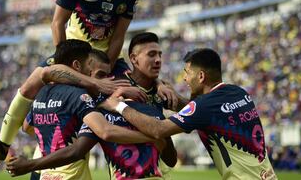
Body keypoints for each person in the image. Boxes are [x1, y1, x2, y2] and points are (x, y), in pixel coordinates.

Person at [0, 0, 161, 162]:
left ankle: (151, 146)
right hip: (73, 54)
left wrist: (105, 69)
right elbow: (57, 23)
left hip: (105, 57)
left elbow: (119, 36)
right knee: (29, 86)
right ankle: (2, 145)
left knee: (137, 89)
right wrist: (65, 62)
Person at [6, 33, 178, 179]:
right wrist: (155, 134)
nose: (105, 81)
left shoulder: (43, 94)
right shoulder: (81, 98)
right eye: (98, 74)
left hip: (45, 174)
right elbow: (105, 132)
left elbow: (27, 127)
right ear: (78, 68)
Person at [100, 48, 278, 180]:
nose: (185, 78)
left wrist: (119, 106)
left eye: (187, 73)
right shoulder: (238, 92)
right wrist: (172, 96)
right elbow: (201, 112)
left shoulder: (204, 106)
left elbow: (158, 130)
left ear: (201, 76)